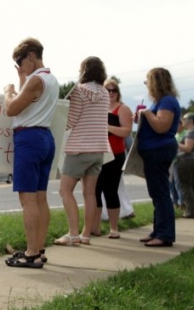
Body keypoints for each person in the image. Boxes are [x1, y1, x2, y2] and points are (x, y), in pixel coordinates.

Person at [2, 37, 59, 268]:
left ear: (31, 55)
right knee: (40, 197)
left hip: (29, 138)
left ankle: (32, 252)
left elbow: (11, 108)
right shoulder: (50, 78)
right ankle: (40, 248)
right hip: (45, 137)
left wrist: (9, 91)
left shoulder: (36, 79)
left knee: (27, 199)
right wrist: (22, 80)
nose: (19, 66)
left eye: (20, 60)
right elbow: (33, 97)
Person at [54, 56, 110, 246]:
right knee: (90, 194)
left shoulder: (78, 91)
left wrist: (63, 109)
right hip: (99, 149)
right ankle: (86, 235)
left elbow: (71, 122)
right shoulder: (105, 93)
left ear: (83, 71)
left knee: (65, 190)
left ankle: (73, 234)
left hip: (78, 147)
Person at [136, 67, 181, 247]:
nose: (147, 85)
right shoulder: (162, 101)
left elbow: (162, 126)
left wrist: (147, 113)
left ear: (155, 82)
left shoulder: (167, 101)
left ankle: (164, 234)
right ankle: (158, 230)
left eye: (148, 81)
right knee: (157, 192)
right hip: (154, 150)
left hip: (159, 150)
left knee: (161, 193)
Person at [90, 79, 132, 239]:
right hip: (98, 153)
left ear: (118, 92)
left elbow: (126, 131)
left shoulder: (123, 108)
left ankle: (114, 228)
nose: (111, 93)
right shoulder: (98, 108)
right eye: (108, 90)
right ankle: (95, 226)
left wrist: (107, 127)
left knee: (110, 190)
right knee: (94, 191)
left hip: (115, 155)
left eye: (114, 90)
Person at [176, 113, 194, 218]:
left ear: (190, 120)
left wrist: (174, 143)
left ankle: (190, 211)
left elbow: (188, 148)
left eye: (184, 119)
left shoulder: (190, 133)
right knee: (191, 185)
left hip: (186, 160)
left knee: (185, 186)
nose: (182, 121)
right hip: (192, 160)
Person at [170, 118, 187, 208]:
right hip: (173, 161)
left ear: (181, 125)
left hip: (181, 161)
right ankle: (175, 201)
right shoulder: (175, 135)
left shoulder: (186, 134)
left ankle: (182, 202)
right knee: (171, 184)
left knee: (179, 183)